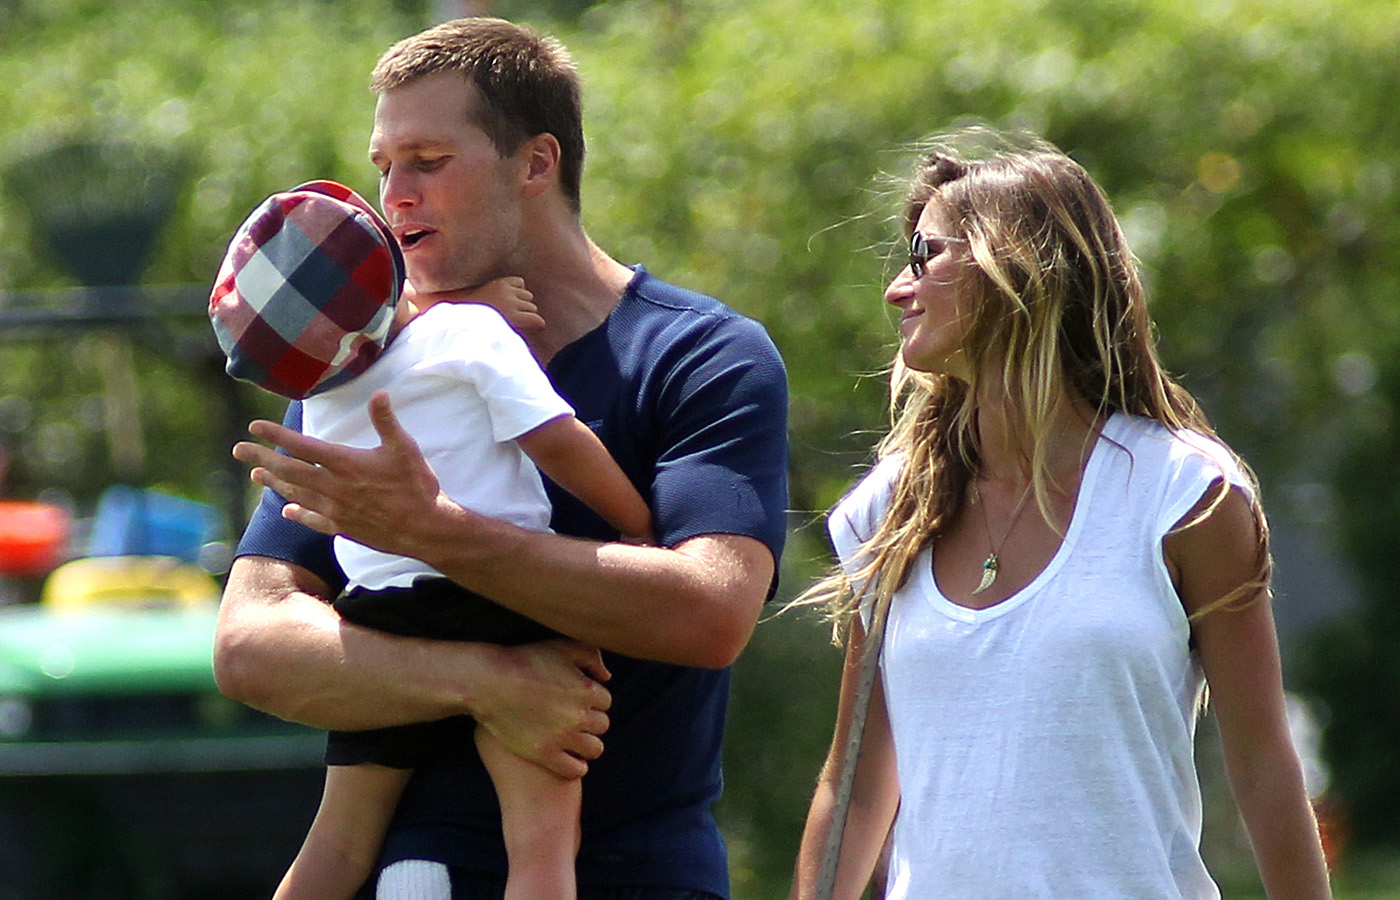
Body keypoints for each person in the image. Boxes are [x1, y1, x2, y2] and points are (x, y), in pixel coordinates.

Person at [212, 16, 789, 900]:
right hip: (419, 869)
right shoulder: (358, 361)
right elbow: (252, 646)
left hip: (644, 873)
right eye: (382, 168)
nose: (392, 196)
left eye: (428, 162)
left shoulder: (702, 355)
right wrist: (484, 681)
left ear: (536, 164)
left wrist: (435, 533)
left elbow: (710, 615)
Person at [788, 130, 1332, 900]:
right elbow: (855, 787)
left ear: (1016, 267)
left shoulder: (1184, 494)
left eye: (924, 257)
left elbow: (1264, 765)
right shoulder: (890, 506)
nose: (897, 291)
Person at [208, 179, 653, 900]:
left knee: (338, 844)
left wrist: (455, 307)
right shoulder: (471, 335)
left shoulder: (320, 397)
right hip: (501, 600)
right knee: (543, 844)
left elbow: (390, 349)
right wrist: (637, 525)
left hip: (378, 620)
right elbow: (557, 441)